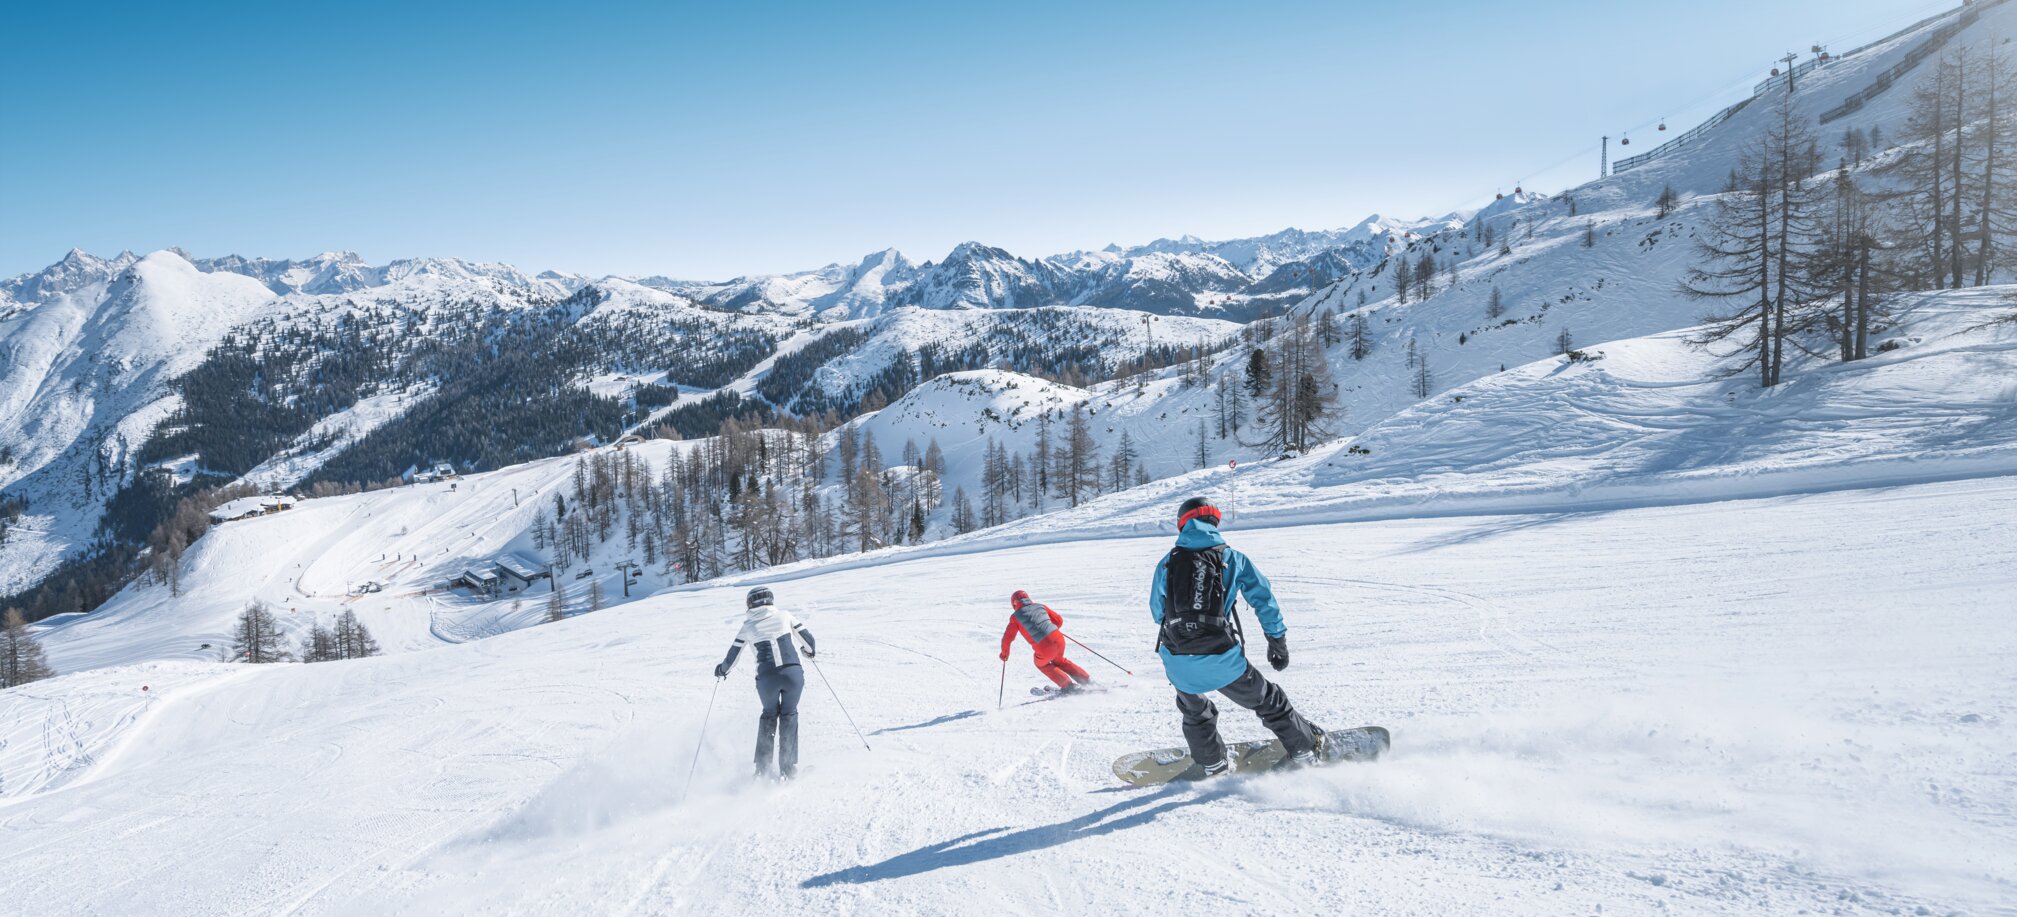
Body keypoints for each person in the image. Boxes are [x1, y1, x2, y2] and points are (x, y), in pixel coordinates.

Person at [1149, 497, 1321, 776]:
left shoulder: (1167, 563)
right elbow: (1264, 600)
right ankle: (1304, 749)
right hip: (1222, 657)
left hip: (1177, 659)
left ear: (1182, 524)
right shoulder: (1232, 558)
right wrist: (1277, 641)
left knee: (1195, 709)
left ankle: (1212, 762)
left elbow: (1158, 613)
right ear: (1214, 522)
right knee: (1269, 701)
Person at [714, 585, 817, 779]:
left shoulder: (747, 626)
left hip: (767, 679)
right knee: (789, 714)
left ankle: (762, 770)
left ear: (750, 604)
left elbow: (732, 657)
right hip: (793, 675)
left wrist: (721, 670)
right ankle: (787, 770)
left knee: (769, 716)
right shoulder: (785, 616)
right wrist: (808, 652)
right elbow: (809, 640)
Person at [1000, 589, 1093, 692]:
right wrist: (1049, 630)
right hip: (1059, 639)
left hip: (1044, 646)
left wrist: (1005, 654)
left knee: (1041, 663)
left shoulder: (1015, 617)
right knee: (1060, 661)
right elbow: (1059, 620)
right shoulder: (1040, 606)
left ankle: (1068, 686)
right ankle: (1087, 680)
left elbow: (1007, 638)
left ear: (1014, 603)